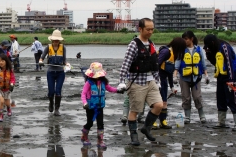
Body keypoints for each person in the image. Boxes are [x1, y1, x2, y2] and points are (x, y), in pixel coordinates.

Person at [117, 18, 163, 146]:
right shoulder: (134, 44)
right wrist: (121, 81)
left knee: (159, 105)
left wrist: (157, 80)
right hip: (136, 82)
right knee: (135, 110)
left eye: (152, 29)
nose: (150, 32)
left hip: (150, 81)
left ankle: (146, 128)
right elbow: (125, 64)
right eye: (148, 29)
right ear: (140, 29)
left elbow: (154, 64)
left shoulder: (152, 44)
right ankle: (134, 136)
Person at [80, 62, 120, 148]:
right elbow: (83, 94)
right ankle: (84, 135)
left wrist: (118, 90)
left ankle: (100, 140)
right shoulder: (88, 83)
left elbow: (109, 88)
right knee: (90, 123)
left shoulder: (103, 82)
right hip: (90, 107)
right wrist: (85, 103)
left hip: (99, 107)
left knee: (100, 124)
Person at [203, 34, 236, 130]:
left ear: (213, 43)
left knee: (232, 99)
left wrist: (231, 81)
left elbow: (229, 64)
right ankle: (221, 122)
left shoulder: (224, 47)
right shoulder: (214, 49)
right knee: (220, 98)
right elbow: (215, 63)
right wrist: (208, 54)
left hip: (232, 76)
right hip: (221, 77)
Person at [174, 31, 209, 125]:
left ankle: (202, 115)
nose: (184, 41)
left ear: (191, 39)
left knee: (197, 96)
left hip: (196, 78)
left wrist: (206, 75)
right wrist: (175, 76)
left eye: (186, 39)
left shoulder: (199, 49)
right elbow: (177, 64)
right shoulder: (181, 50)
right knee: (186, 97)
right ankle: (187, 117)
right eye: (183, 39)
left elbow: (203, 64)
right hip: (184, 78)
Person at [153, 37, 187, 129]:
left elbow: (169, 72)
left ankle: (163, 121)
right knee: (156, 102)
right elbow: (156, 65)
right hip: (157, 81)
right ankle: (152, 121)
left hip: (163, 81)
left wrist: (172, 87)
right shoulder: (166, 52)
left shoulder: (174, 55)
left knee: (164, 102)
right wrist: (156, 80)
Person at [39, 29, 68, 116]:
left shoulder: (63, 48)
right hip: (51, 72)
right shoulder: (48, 47)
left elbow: (64, 60)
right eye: (54, 40)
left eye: (57, 40)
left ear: (59, 40)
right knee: (51, 91)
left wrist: (67, 64)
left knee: (58, 91)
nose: (56, 42)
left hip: (60, 72)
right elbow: (42, 57)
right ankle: (51, 102)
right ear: (52, 40)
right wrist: (40, 61)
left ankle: (57, 109)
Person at [0, 53, 16, 122]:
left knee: (7, 103)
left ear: (6, 61)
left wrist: (12, 84)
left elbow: (12, 79)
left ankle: (9, 108)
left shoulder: (10, 70)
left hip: (7, 89)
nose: (1, 62)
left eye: (2, 61)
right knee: (1, 101)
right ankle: (0, 115)